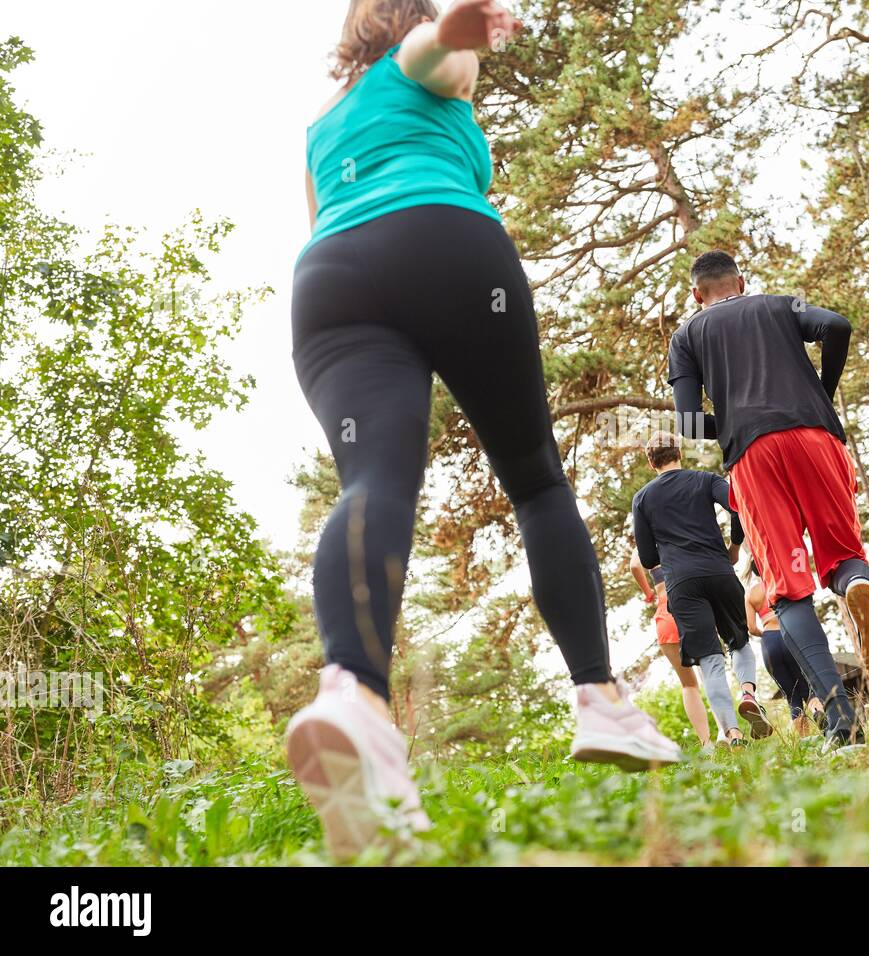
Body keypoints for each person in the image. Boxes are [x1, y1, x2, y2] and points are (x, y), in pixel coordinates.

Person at [285, 0, 679, 859]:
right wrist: (465, 25)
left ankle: (352, 698)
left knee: (372, 484)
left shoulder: (320, 126)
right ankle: (600, 700)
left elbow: (324, 212)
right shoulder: (426, 64)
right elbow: (436, 50)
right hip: (445, 247)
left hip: (329, 283)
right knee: (535, 478)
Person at [668, 250, 869, 749]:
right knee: (842, 555)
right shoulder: (777, 305)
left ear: (697, 294)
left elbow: (687, 424)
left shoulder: (687, 336)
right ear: (741, 281)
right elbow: (836, 326)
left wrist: (733, 423)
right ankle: (858, 584)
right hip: (818, 439)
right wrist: (823, 391)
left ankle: (842, 721)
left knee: (788, 591)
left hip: (754, 458)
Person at [631, 431, 771, 746]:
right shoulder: (703, 480)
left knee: (709, 659)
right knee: (739, 642)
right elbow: (739, 505)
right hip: (718, 570)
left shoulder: (642, 499)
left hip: (681, 583)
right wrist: (735, 546)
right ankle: (748, 693)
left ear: (652, 463)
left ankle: (732, 733)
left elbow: (649, 557)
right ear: (678, 453)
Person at [630, 551, 713, 747]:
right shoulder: (679, 529)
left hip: (665, 614)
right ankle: (727, 734)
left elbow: (634, 565)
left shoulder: (646, 540)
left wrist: (648, 593)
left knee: (689, 684)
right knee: (711, 672)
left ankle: (706, 742)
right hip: (691, 607)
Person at [744, 560, 823, 737]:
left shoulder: (751, 594)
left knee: (791, 695)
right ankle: (818, 711)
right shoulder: (780, 580)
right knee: (809, 688)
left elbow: (751, 628)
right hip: (790, 634)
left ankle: (806, 740)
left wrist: (765, 634)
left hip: (769, 642)